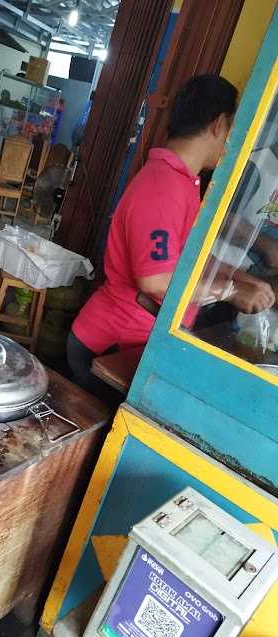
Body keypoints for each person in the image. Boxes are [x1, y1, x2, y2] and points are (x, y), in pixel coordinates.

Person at [67, 74, 275, 399]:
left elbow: (193, 255)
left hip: (139, 340)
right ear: (219, 124)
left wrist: (239, 276)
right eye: (234, 130)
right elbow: (154, 281)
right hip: (110, 348)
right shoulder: (162, 186)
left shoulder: (183, 182)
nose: (231, 141)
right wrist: (229, 291)